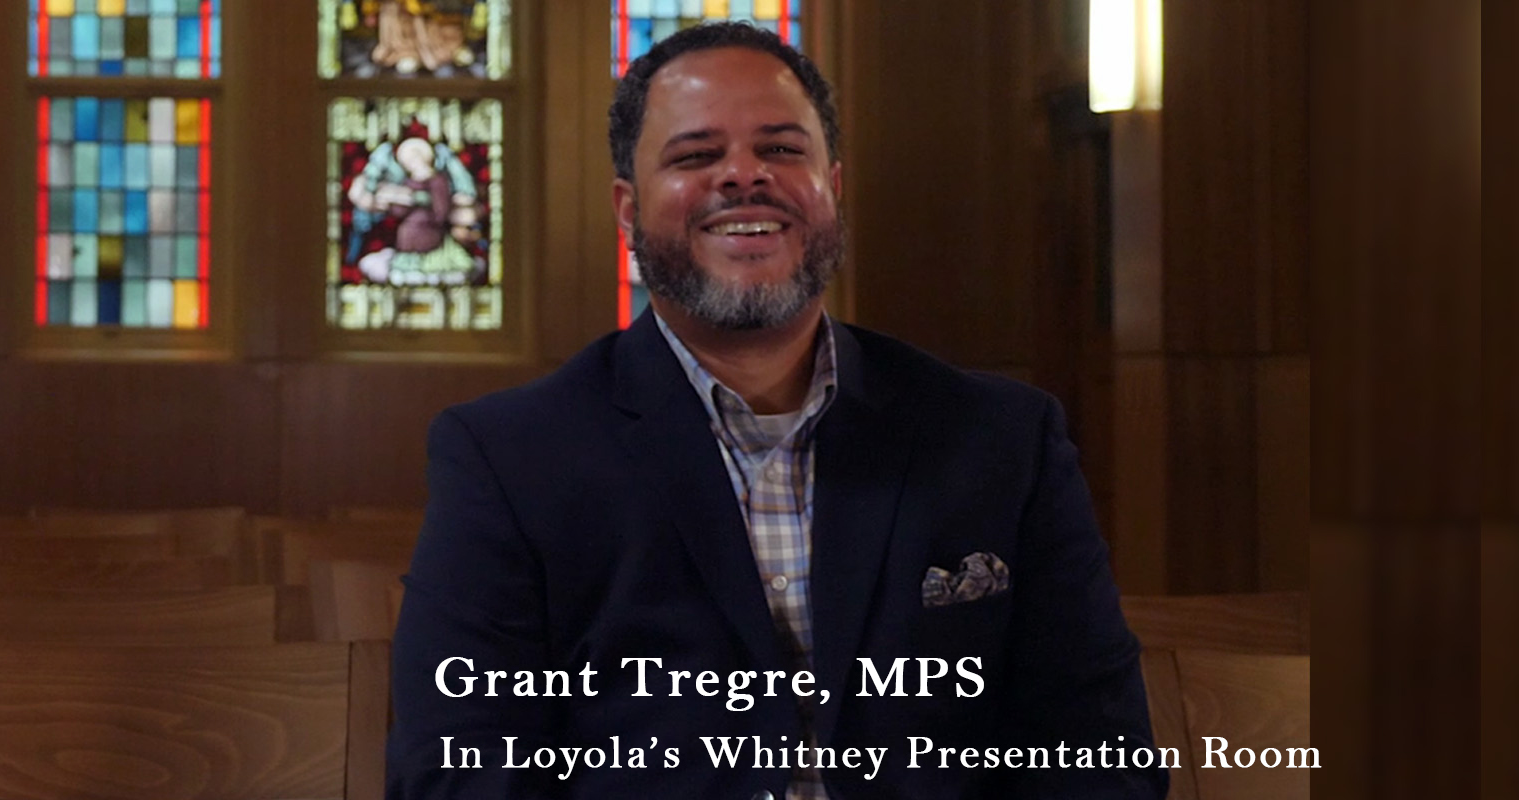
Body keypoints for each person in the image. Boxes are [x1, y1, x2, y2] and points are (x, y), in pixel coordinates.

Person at [386, 22, 1163, 800]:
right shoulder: (508, 458)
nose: (744, 177)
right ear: (628, 209)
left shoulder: (1002, 441)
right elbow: (458, 772)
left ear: (834, 184)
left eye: (782, 150)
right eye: (695, 156)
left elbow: (1099, 757)